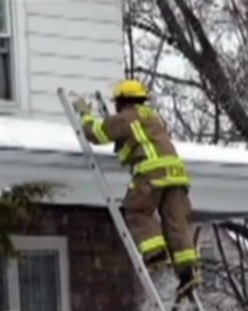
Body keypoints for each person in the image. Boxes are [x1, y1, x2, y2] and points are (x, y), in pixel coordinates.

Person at [72, 79, 202, 296]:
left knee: (136, 210)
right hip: (177, 176)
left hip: (152, 173)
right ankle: (187, 272)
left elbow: (97, 133)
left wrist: (86, 115)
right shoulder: (154, 118)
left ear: (122, 101)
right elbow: (138, 142)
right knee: (177, 223)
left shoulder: (127, 116)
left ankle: (155, 254)